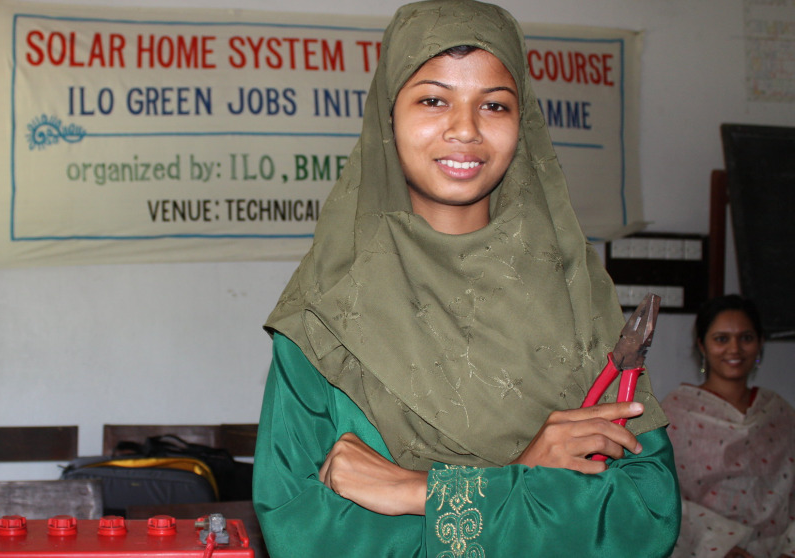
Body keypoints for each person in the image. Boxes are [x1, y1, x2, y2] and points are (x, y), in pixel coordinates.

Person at [253, 0, 680, 555]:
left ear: (521, 122)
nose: (465, 129)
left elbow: (646, 511)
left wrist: (426, 493)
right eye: (433, 99)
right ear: (389, 115)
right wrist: (531, 484)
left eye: (495, 105)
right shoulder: (328, 311)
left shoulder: (574, 297)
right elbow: (299, 529)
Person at [663, 295, 795, 558]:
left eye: (746, 338)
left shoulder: (780, 413)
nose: (734, 349)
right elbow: (661, 496)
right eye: (721, 339)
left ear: (760, 343)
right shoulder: (674, 414)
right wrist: (721, 546)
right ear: (702, 345)